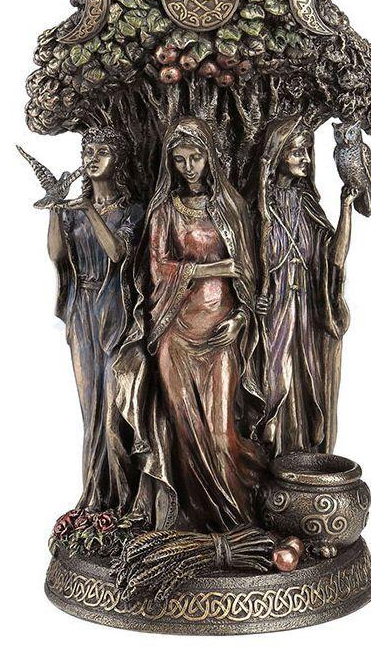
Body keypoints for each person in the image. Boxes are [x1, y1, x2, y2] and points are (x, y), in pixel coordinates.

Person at [116, 117, 265, 532]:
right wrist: (215, 268)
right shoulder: (164, 211)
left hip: (221, 330)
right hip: (176, 333)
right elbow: (158, 269)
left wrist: (240, 319)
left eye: (195, 157)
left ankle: (238, 520)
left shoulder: (230, 207)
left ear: (209, 156)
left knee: (219, 434)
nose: (188, 167)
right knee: (186, 432)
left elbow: (249, 276)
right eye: (179, 159)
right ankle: (192, 524)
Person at [48, 126, 144, 513]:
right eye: (88, 151)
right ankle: (96, 495)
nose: (92, 158)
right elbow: (57, 255)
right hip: (81, 311)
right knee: (90, 406)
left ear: (117, 160)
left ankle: (125, 495)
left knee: (113, 408)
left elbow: (118, 252)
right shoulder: (74, 212)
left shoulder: (132, 211)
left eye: (101, 151)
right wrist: (56, 207)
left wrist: (88, 209)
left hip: (115, 311)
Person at [257, 117, 356, 456]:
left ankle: (300, 454)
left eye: (307, 152)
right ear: (279, 153)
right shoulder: (261, 206)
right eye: (297, 152)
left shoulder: (307, 206)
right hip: (275, 309)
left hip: (307, 312)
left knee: (307, 380)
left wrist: (345, 209)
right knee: (276, 379)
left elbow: (335, 258)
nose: (306, 160)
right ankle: (271, 454)